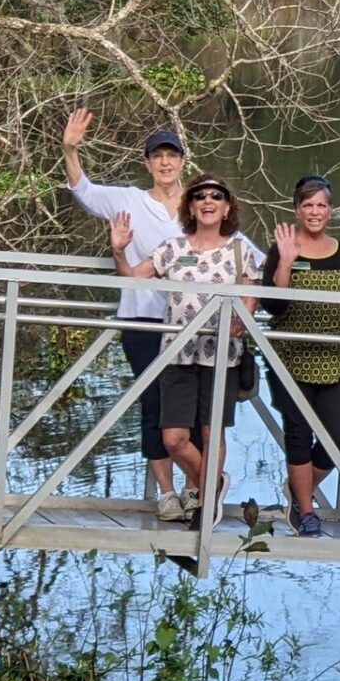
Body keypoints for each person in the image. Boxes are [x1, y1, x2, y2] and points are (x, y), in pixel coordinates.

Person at [106, 177, 263, 527]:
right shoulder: (172, 248)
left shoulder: (240, 250)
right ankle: (215, 484)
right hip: (177, 352)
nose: (208, 200)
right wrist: (119, 250)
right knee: (174, 438)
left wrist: (243, 316)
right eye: (199, 196)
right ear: (190, 207)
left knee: (210, 433)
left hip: (222, 354)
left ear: (227, 207)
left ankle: (205, 504)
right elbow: (133, 277)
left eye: (216, 196)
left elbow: (252, 294)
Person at [61, 108, 194, 520]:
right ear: (148, 163)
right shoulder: (129, 201)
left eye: (171, 155)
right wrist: (69, 148)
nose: (165, 162)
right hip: (143, 321)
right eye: (158, 156)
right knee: (154, 405)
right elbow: (82, 189)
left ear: (182, 160)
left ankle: (197, 489)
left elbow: (244, 253)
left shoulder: (203, 203)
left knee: (192, 411)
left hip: (194, 322)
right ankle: (167, 494)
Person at [260, 175, 340, 538]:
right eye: (308, 205)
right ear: (297, 209)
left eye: (321, 205)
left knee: (335, 437)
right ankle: (306, 511)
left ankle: (299, 492)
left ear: (330, 210)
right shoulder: (282, 248)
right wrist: (284, 262)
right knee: (297, 434)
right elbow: (272, 305)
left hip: (335, 358)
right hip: (290, 359)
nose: (315, 212)